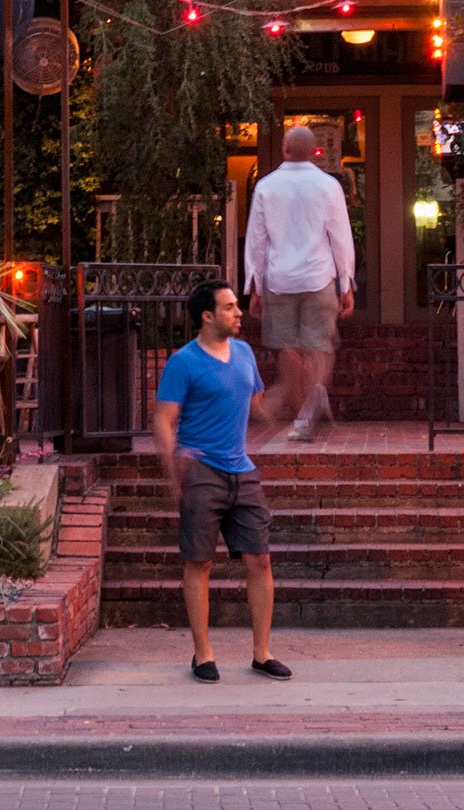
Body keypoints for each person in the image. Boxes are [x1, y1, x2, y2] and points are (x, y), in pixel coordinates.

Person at [152, 279, 293, 685]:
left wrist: (292, 387)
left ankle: (262, 653)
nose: (239, 313)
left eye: (238, 305)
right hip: (202, 471)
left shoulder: (245, 353)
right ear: (207, 316)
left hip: (242, 469)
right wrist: (171, 464)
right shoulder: (184, 361)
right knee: (200, 562)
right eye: (230, 307)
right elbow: (163, 418)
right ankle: (203, 654)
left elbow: (260, 411)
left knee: (260, 559)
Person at [244, 124, 357, 442]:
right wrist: (346, 283)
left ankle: (293, 409)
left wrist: (254, 285)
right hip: (320, 278)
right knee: (320, 346)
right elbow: (341, 237)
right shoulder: (329, 185)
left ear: (285, 149)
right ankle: (310, 407)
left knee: (288, 347)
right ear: (314, 152)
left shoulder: (266, 186)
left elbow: (257, 239)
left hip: (279, 279)